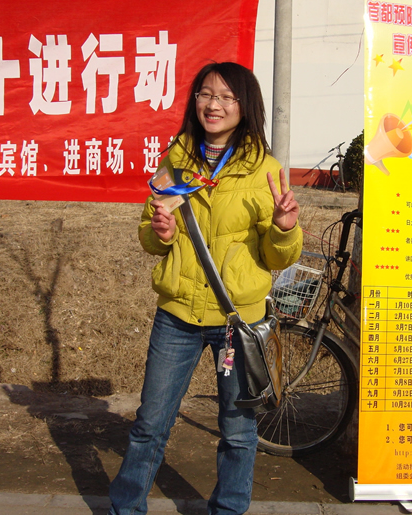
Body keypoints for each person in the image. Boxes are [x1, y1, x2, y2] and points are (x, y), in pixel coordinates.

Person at [107, 61, 302, 515]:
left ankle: (228, 509)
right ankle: (125, 509)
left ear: (244, 106)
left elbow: (278, 259)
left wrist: (283, 228)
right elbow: (149, 235)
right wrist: (161, 233)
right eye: (206, 94)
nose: (214, 105)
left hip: (238, 321)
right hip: (178, 315)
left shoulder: (265, 170)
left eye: (226, 97)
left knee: (238, 431)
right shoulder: (175, 161)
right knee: (150, 423)